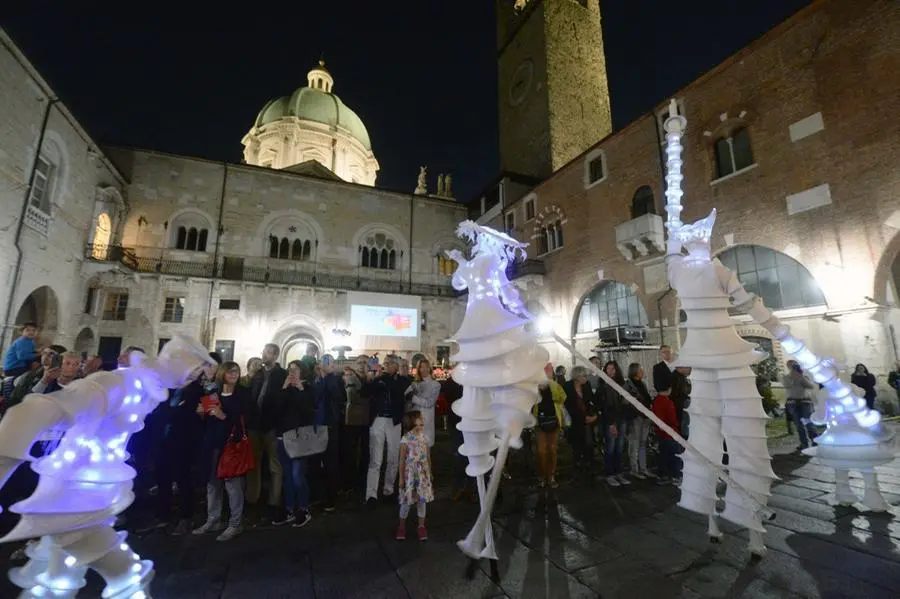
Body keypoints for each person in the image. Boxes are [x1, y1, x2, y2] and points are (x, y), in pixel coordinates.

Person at [193, 361, 249, 541]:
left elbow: (244, 421)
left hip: (230, 445)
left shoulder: (241, 395)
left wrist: (223, 416)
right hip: (212, 444)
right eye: (231, 372)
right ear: (223, 373)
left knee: (233, 486)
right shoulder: (213, 393)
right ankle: (213, 519)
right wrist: (202, 413)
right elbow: (206, 421)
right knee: (212, 484)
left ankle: (235, 523)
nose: (234, 375)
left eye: (236, 372)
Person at [273, 360, 315, 528]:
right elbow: (276, 409)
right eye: (290, 370)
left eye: (295, 370)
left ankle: (304, 509)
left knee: (298, 475)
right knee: (288, 475)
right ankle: (289, 508)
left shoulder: (308, 389)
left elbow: (308, 411)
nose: (292, 373)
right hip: (282, 436)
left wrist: (301, 389)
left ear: (302, 372)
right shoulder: (284, 390)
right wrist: (284, 388)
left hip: (298, 437)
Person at [249, 343, 288, 521]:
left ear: (274, 355)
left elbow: (282, 401)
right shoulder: (258, 375)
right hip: (255, 425)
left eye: (266, 352)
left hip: (272, 426)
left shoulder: (281, 375)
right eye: (263, 351)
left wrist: (277, 423)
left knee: (275, 465)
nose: (262, 355)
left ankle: (274, 502)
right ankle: (252, 499)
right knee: (253, 464)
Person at [365, 358, 407, 508]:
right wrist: (374, 378)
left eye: (389, 363)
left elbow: (399, 390)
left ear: (396, 366)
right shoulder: (379, 379)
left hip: (394, 421)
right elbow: (366, 391)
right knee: (376, 458)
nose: (386, 365)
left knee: (393, 456)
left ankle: (389, 489)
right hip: (378, 419)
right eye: (385, 363)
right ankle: (371, 494)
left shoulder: (401, 380)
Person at [395, 410, 434, 542]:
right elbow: (401, 460)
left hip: (422, 475)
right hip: (410, 475)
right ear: (412, 422)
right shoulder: (405, 439)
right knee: (406, 501)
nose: (422, 421)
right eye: (420, 419)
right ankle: (401, 526)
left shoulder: (424, 438)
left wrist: (430, 473)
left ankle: (421, 526)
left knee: (421, 502)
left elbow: (427, 457)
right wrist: (401, 478)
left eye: (422, 420)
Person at [563, 365, 600, 484]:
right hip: (574, 421)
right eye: (584, 376)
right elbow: (567, 406)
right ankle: (577, 470)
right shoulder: (567, 387)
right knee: (576, 446)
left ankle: (588, 467)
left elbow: (591, 401)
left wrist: (593, 416)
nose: (586, 378)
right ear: (577, 376)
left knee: (589, 444)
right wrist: (581, 417)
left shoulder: (587, 386)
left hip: (587, 420)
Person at [598, 360, 630, 487]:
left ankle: (619, 473)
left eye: (613, 369)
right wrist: (611, 424)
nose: (610, 371)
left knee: (619, 448)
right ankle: (609, 474)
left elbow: (625, 403)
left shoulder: (622, 385)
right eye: (608, 369)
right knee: (610, 448)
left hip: (621, 420)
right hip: (610, 421)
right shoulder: (603, 386)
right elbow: (604, 407)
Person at [623, 362, 655, 479]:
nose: (643, 372)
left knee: (642, 443)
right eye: (641, 370)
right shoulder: (628, 385)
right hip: (636, 418)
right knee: (634, 444)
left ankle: (643, 468)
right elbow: (625, 402)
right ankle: (634, 469)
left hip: (645, 417)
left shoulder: (643, 383)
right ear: (634, 371)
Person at [532, 380, 566, 488]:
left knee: (552, 449)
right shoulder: (533, 386)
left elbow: (563, 397)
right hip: (539, 422)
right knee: (541, 450)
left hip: (553, 421)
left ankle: (551, 476)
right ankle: (542, 475)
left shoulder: (554, 385)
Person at [782, 360, 817, 451]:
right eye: (791, 365)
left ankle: (815, 442)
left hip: (805, 402)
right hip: (792, 403)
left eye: (795, 365)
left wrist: (800, 377)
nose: (793, 367)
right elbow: (787, 386)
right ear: (788, 367)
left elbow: (811, 386)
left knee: (809, 423)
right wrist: (793, 377)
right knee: (799, 425)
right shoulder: (786, 377)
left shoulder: (804, 376)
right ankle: (804, 444)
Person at [405, 359, 441, 447]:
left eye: (426, 367)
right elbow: (405, 397)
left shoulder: (435, 385)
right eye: (421, 367)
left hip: (426, 421)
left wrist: (413, 398)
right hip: (413, 420)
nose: (423, 369)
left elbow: (429, 403)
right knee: (412, 451)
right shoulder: (414, 383)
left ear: (429, 368)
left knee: (425, 450)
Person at [652, 390, 682, 484]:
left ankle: (662, 475)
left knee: (664, 455)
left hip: (662, 433)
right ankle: (675, 476)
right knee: (674, 454)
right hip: (669, 432)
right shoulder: (667, 402)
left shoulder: (656, 401)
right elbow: (672, 418)